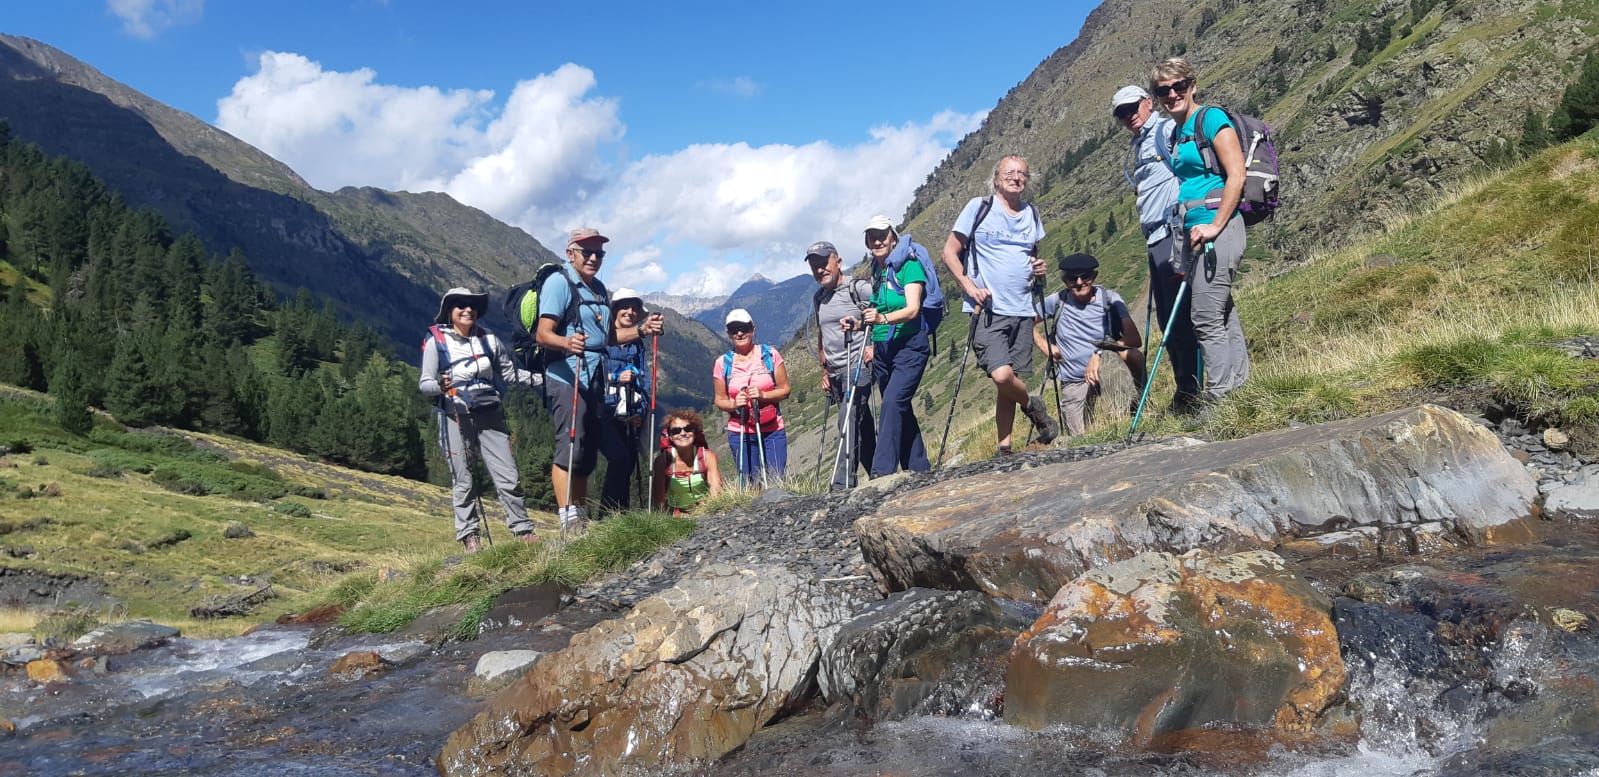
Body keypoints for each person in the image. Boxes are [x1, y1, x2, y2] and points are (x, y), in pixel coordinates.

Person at [536, 227, 663, 533]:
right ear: (571, 254)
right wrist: (567, 344)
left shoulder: (598, 289)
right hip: (568, 375)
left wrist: (643, 330)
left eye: (599, 254)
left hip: (593, 377)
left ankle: (579, 516)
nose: (594, 258)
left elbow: (608, 337)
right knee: (570, 445)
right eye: (587, 252)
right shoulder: (559, 283)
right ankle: (568, 519)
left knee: (585, 448)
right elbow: (543, 333)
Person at [941, 155, 1060, 454]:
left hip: (1022, 308)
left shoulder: (1031, 213)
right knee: (1002, 375)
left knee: (1009, 382)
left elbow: (1031, 254)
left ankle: (1004, 448)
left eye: (1022, 173)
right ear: (996, 178)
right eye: (1010, 172)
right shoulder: (979, 208)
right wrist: (969, 286)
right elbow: (949, 253)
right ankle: (1034, 406)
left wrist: (1037, 268)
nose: (1016, 177)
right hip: (988, 310)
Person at [1151, 58, 1250, 403]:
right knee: (1222, 312)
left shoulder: (1211, 120)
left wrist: (1216, 225)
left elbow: (1236, 175)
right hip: (1194, 234)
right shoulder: (1178, 132)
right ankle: (1240, 391)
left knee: (1205, 317)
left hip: (1218, 230)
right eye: (1164, 90)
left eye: (1179, 86)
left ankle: (1220, 397)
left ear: (1192, 85)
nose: (1172, 94)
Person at [418, 287, 540, 551]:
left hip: (489, 412)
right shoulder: (435, 341)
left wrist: (546, 380)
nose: (468, 309)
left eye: (472, 305)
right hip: (454, 415)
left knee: (508, 474)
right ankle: (469, 536)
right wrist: (440, 385)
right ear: (449, 312)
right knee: (463, 477)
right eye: (460, 305)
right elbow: (425, 383)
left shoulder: (489, 340)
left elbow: (510, 375)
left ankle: (523, 530)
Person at [1113, 84, 1198, 411]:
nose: (1128, 116)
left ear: (1148, 103)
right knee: (1166, 316)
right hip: (1156, 239)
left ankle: (1192, 391)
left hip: (1172, 233)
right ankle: (1187, 390)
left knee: (1180, 315)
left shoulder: (1165, 129)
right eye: (1121, 113)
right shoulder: (1140, 144)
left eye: (1132, 107)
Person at [1033, 254, 1147, 437]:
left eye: (1085, 276)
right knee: (1079, 438)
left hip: (1107, 372)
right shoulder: (1057, 301)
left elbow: (1134, 340)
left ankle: (1140, 398)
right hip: (1073, 381)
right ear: (1065, 281)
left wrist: (1099, 352)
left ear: (1093, 277)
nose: (1079, 282)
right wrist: (1045, 347)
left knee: (1133, 355)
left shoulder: (1110, 299)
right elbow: (1026, 321)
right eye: (1072, 278)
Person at [858, 216, 932, 476]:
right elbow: (880, 305)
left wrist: (883, 318)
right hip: (883, 348)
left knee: (891, 402)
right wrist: (858, 322)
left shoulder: (909, 266)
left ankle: (881, 471)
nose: (877, 241)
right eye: (872, 237)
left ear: (893, 237)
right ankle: (918, 466)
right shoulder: (878, 268)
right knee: (899, 405)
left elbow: (913, 309)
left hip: (910, 345)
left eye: (882, 235)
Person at [806, 240, 875, 490]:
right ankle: (880, 472)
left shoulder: (859, 288)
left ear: (838, 262)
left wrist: (873, 345)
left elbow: (882, 313)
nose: (820, 269)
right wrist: (824, 370)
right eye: (815, 266)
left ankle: (841, 486)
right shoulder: (819, 298)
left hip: (857, 366)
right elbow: (823, 334)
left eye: (824, 263)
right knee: (860, 422)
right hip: (835, 371)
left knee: (848, 418)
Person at [712, 308, 791, 485]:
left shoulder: (769, 355)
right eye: (734, 330)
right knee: (749, 483)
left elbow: (785, 390)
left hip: (772, 429)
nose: (740, 333)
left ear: (752, 329)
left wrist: (763, 395)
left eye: (744, 328)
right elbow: (719, 399)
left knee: (776, 480)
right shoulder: (722, 363)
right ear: (728, 334)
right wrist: (734, 404)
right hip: (740, 431)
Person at [598, 288, 654, 512]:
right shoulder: (601, 338)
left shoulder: (637, 344)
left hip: (630, 411)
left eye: (634, 308)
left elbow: (644, 376)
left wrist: (641, 412)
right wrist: (614, 377)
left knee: (628, 463)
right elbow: (592, 373)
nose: (630, 312)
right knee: (619, 460)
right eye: (625, 306)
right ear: (615, 309)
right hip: (605, 411)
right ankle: (606, 515)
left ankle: (620, 516)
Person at [651, 408, 724, 514]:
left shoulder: (708, 457)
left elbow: (716, 493)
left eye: (688, 429)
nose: (683, 433)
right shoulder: (662, 462)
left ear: (695, 433)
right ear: (670, 436)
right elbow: (659, 503)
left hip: (705, 511)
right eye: (676, 431)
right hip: (675, 516)